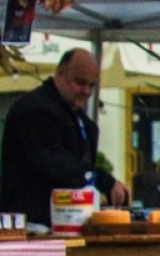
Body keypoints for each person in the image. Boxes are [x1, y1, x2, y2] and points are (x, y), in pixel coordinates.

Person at [0, 50, 129, 225]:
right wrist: (99, 180)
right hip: (31, 223)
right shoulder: (35, 110)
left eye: (92, 85)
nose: (86, 91)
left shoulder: (78, 118)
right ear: (60, 73)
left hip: (64, 220)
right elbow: (54, 162)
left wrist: (93, 190)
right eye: (80, 82)